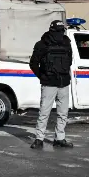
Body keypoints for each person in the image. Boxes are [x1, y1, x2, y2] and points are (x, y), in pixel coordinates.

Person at [29, 19, 74, 150]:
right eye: (59, 31)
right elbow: (33, 64)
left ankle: (57, 139)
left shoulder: (65, 43)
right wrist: (43, 76)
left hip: (62, 83)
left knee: (59, 113)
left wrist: (44, 76)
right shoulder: (43, 44)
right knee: (47, 112)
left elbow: (69, 61)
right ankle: (41, 139)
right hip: (52, 83)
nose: (60, 34)